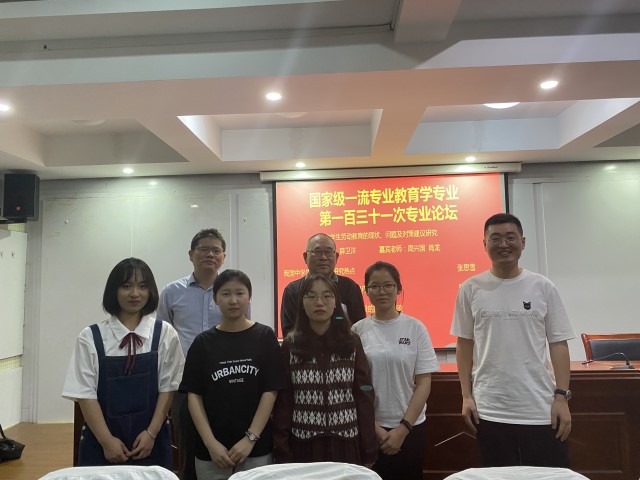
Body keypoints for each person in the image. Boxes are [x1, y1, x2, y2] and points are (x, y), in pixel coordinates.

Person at [450, 213, 575, 467]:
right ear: (484, 244)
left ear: (523, 242)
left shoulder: (543, 287)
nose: (503, 244)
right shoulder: (470, 288)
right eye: (495, 238)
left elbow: (558, 344)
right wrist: (466, 396)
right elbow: (464, 345)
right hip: (490, 409)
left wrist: (562, 397)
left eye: (510, 237)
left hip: (540, 407)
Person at [63, 258, 184, 468]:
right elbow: (85, 394)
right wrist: (107, 441)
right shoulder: (91, 337)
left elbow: (169, 387)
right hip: (101, 442)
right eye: (126, 286)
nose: (135, 293)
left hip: (151, 441)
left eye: (142, 286)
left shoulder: (165, 333)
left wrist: (151, 434)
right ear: (114, 290)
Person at [179, 269, 285, 480]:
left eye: (240, 293)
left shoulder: (264, 336)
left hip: (255, 448)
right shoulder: (202, 343)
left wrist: (250, 438)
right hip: (211, 453)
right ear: (215, 298)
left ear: (249, 297)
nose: (233, 300)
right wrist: (211, 444)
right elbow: (193, 395)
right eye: (226, 294)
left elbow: (270, 391)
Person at [273, 273, 377, 466]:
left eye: (327, 296)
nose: (319, 302)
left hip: (346, 442)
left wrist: (369, 448)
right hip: (303, 443)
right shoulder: (290, 345)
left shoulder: (351, 342)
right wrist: (282, 448)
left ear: (336, 302)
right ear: (302, 303)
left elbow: (363, 394)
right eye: (311, 296)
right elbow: (284, 401)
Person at [352, 261, 440, 480]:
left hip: (411, 427)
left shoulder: (415, 328)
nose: (381, 291)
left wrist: (403, 428)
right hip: (369, 428)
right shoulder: (357, 331)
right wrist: (373, 428)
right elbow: (352, 385)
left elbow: (424, 382)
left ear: (399, 289)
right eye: (374, 286)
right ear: (366, 291)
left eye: (388, 285)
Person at [157, 228, 228, 480]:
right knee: (186, 446)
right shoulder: (172, 292)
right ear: (191, 254)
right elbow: (163, 338)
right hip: (184, 383)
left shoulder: (231, 291)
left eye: (216, 250)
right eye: (203, 249)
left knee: (222, 443)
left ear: (223, 256)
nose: (210, 255)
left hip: (225, 380)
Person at [280, 233, 366, 337]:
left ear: (336, 257)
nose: (323, 257)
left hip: (343, 346)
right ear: (305, 257)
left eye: (329, 252)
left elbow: (359, 328)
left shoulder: (350, 287)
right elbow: (289, 332)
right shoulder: (292, 290)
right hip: (304, 346)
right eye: (317, 252)